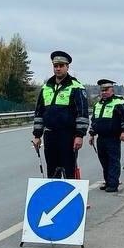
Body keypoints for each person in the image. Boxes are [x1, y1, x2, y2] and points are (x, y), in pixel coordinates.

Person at [32, 50, 89, 179]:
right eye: (55, 66)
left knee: (68, 170)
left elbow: (82, 113)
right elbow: (39, 113)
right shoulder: (46, 87)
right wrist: (37, 135)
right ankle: (54, 192)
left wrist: (79, 135)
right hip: (50, 135)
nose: (58, 69)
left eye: (61, 66)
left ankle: (70, 191)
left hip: (68, 135)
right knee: (52, 171)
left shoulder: (76, 87)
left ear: (67, 67)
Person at [88, 79, 124, 192]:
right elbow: (94, 121)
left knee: (113, 161)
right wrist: (92, 134)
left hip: (113, 137)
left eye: (106, 90)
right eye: (102, 90)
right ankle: (107, 181)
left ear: (112, 90)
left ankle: (113, 184)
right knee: (104, 160)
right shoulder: (98, 104)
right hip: (101, 137)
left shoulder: (119, 102)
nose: (104, 92)